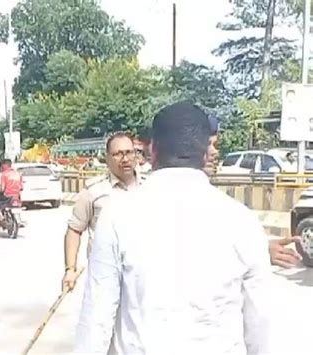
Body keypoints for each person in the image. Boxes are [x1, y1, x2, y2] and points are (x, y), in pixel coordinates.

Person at [76, 101, 275, 354]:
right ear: (205, 154)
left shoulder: (117, 216)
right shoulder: (242, 220)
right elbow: (260, 323)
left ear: (152, 151)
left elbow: (96, 320)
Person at [205, 114, 301, 268]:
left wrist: (259, 252)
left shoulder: (230, 211)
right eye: (207, 145)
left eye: (215, 145)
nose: (213, 152)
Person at [62, 132, 144, 292]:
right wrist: (70, 270)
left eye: (129, 152)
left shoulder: (149, 188)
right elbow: (74, 230)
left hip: (141, 275)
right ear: (107, 158)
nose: (125, 159)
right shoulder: (94, 191)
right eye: (118, 154)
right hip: (104, 276)